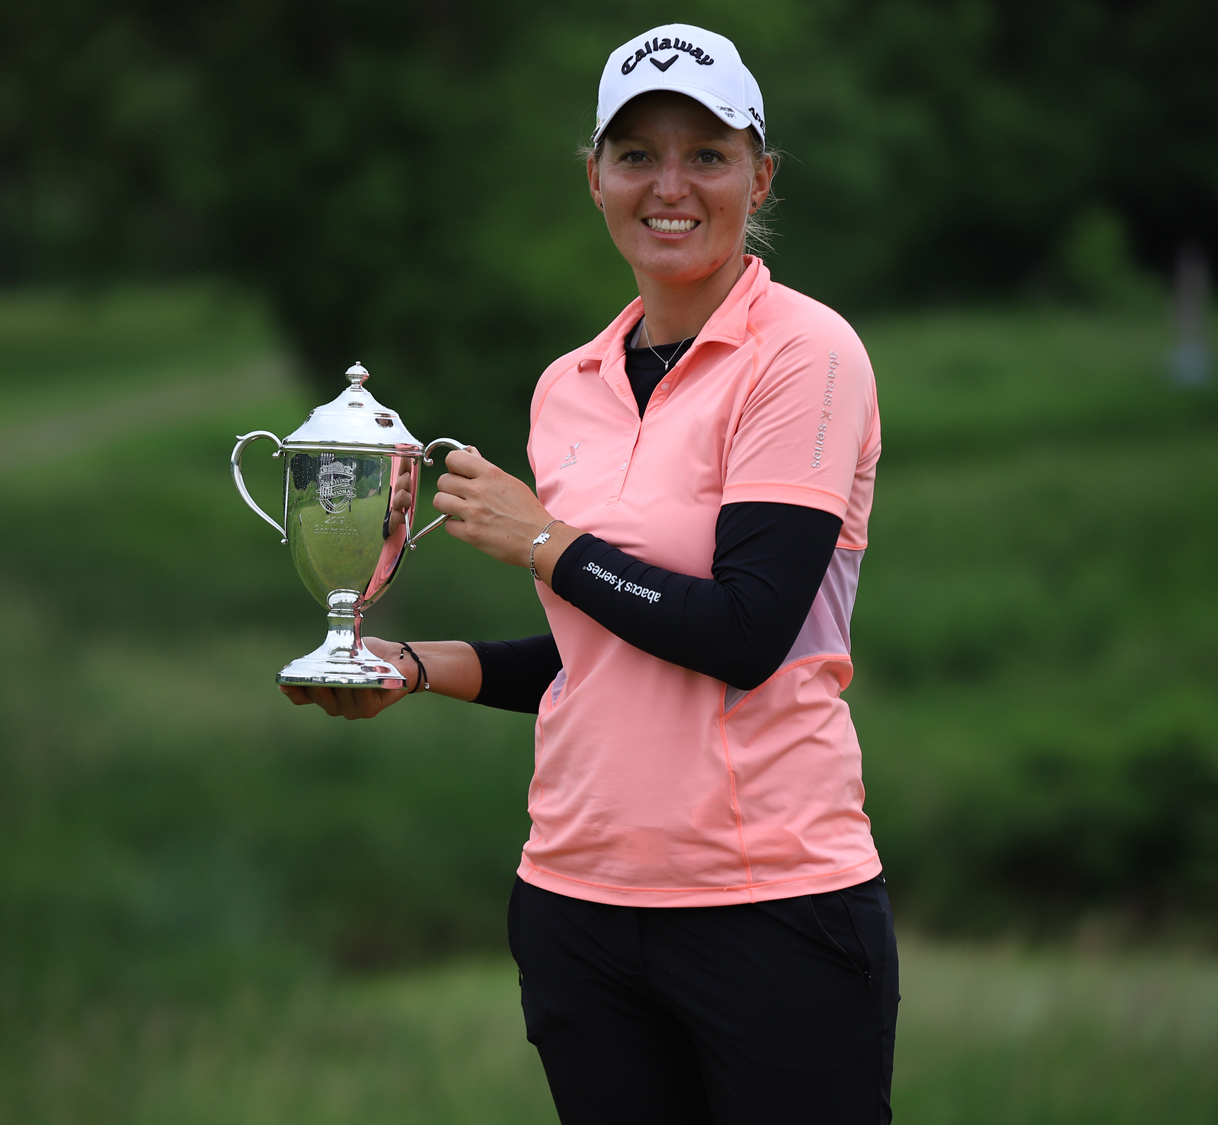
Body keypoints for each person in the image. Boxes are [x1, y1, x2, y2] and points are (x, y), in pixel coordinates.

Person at [282, 23, 896, 1124]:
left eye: (706, 155)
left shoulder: (803, 354)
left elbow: (744, 634)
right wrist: (409, 664)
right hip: (576, 905)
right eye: (635, 155)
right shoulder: (567, 384)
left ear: (759, 175)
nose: (670, 186)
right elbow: (596, 654)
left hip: (767, 908)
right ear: (593, 179)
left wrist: (541, 542)